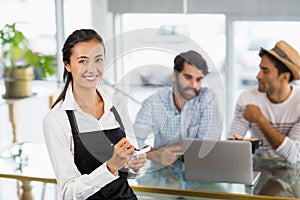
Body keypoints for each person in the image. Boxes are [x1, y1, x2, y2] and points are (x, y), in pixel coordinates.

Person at [43, 29, 146, 200]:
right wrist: (110, 167)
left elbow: (129, 173)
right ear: (67, 65)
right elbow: (69, 193)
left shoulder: (117, 104)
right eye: (82, 61)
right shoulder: (56, 120)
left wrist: (135, 165)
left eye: (98, 60)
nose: (92, 69)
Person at [133, 50, 223, 166]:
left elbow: (208, 143)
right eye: (188, 77)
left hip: (200, 169)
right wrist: (154, 154)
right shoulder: (154, 102)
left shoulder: (208, 99)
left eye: (198, 79)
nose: (194, 85)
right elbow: (134, 141)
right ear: (175, 76)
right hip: (163, 173)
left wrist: (171, 148)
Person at [229, 40, 300, 163]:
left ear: (284, 77)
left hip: (293, 174)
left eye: (265, 71)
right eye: (259, 69)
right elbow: (231, 145)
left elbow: (294, 155)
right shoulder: (247, 98)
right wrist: (236, 145)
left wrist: (260, 120)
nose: (258, 76)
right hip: (258, 169)